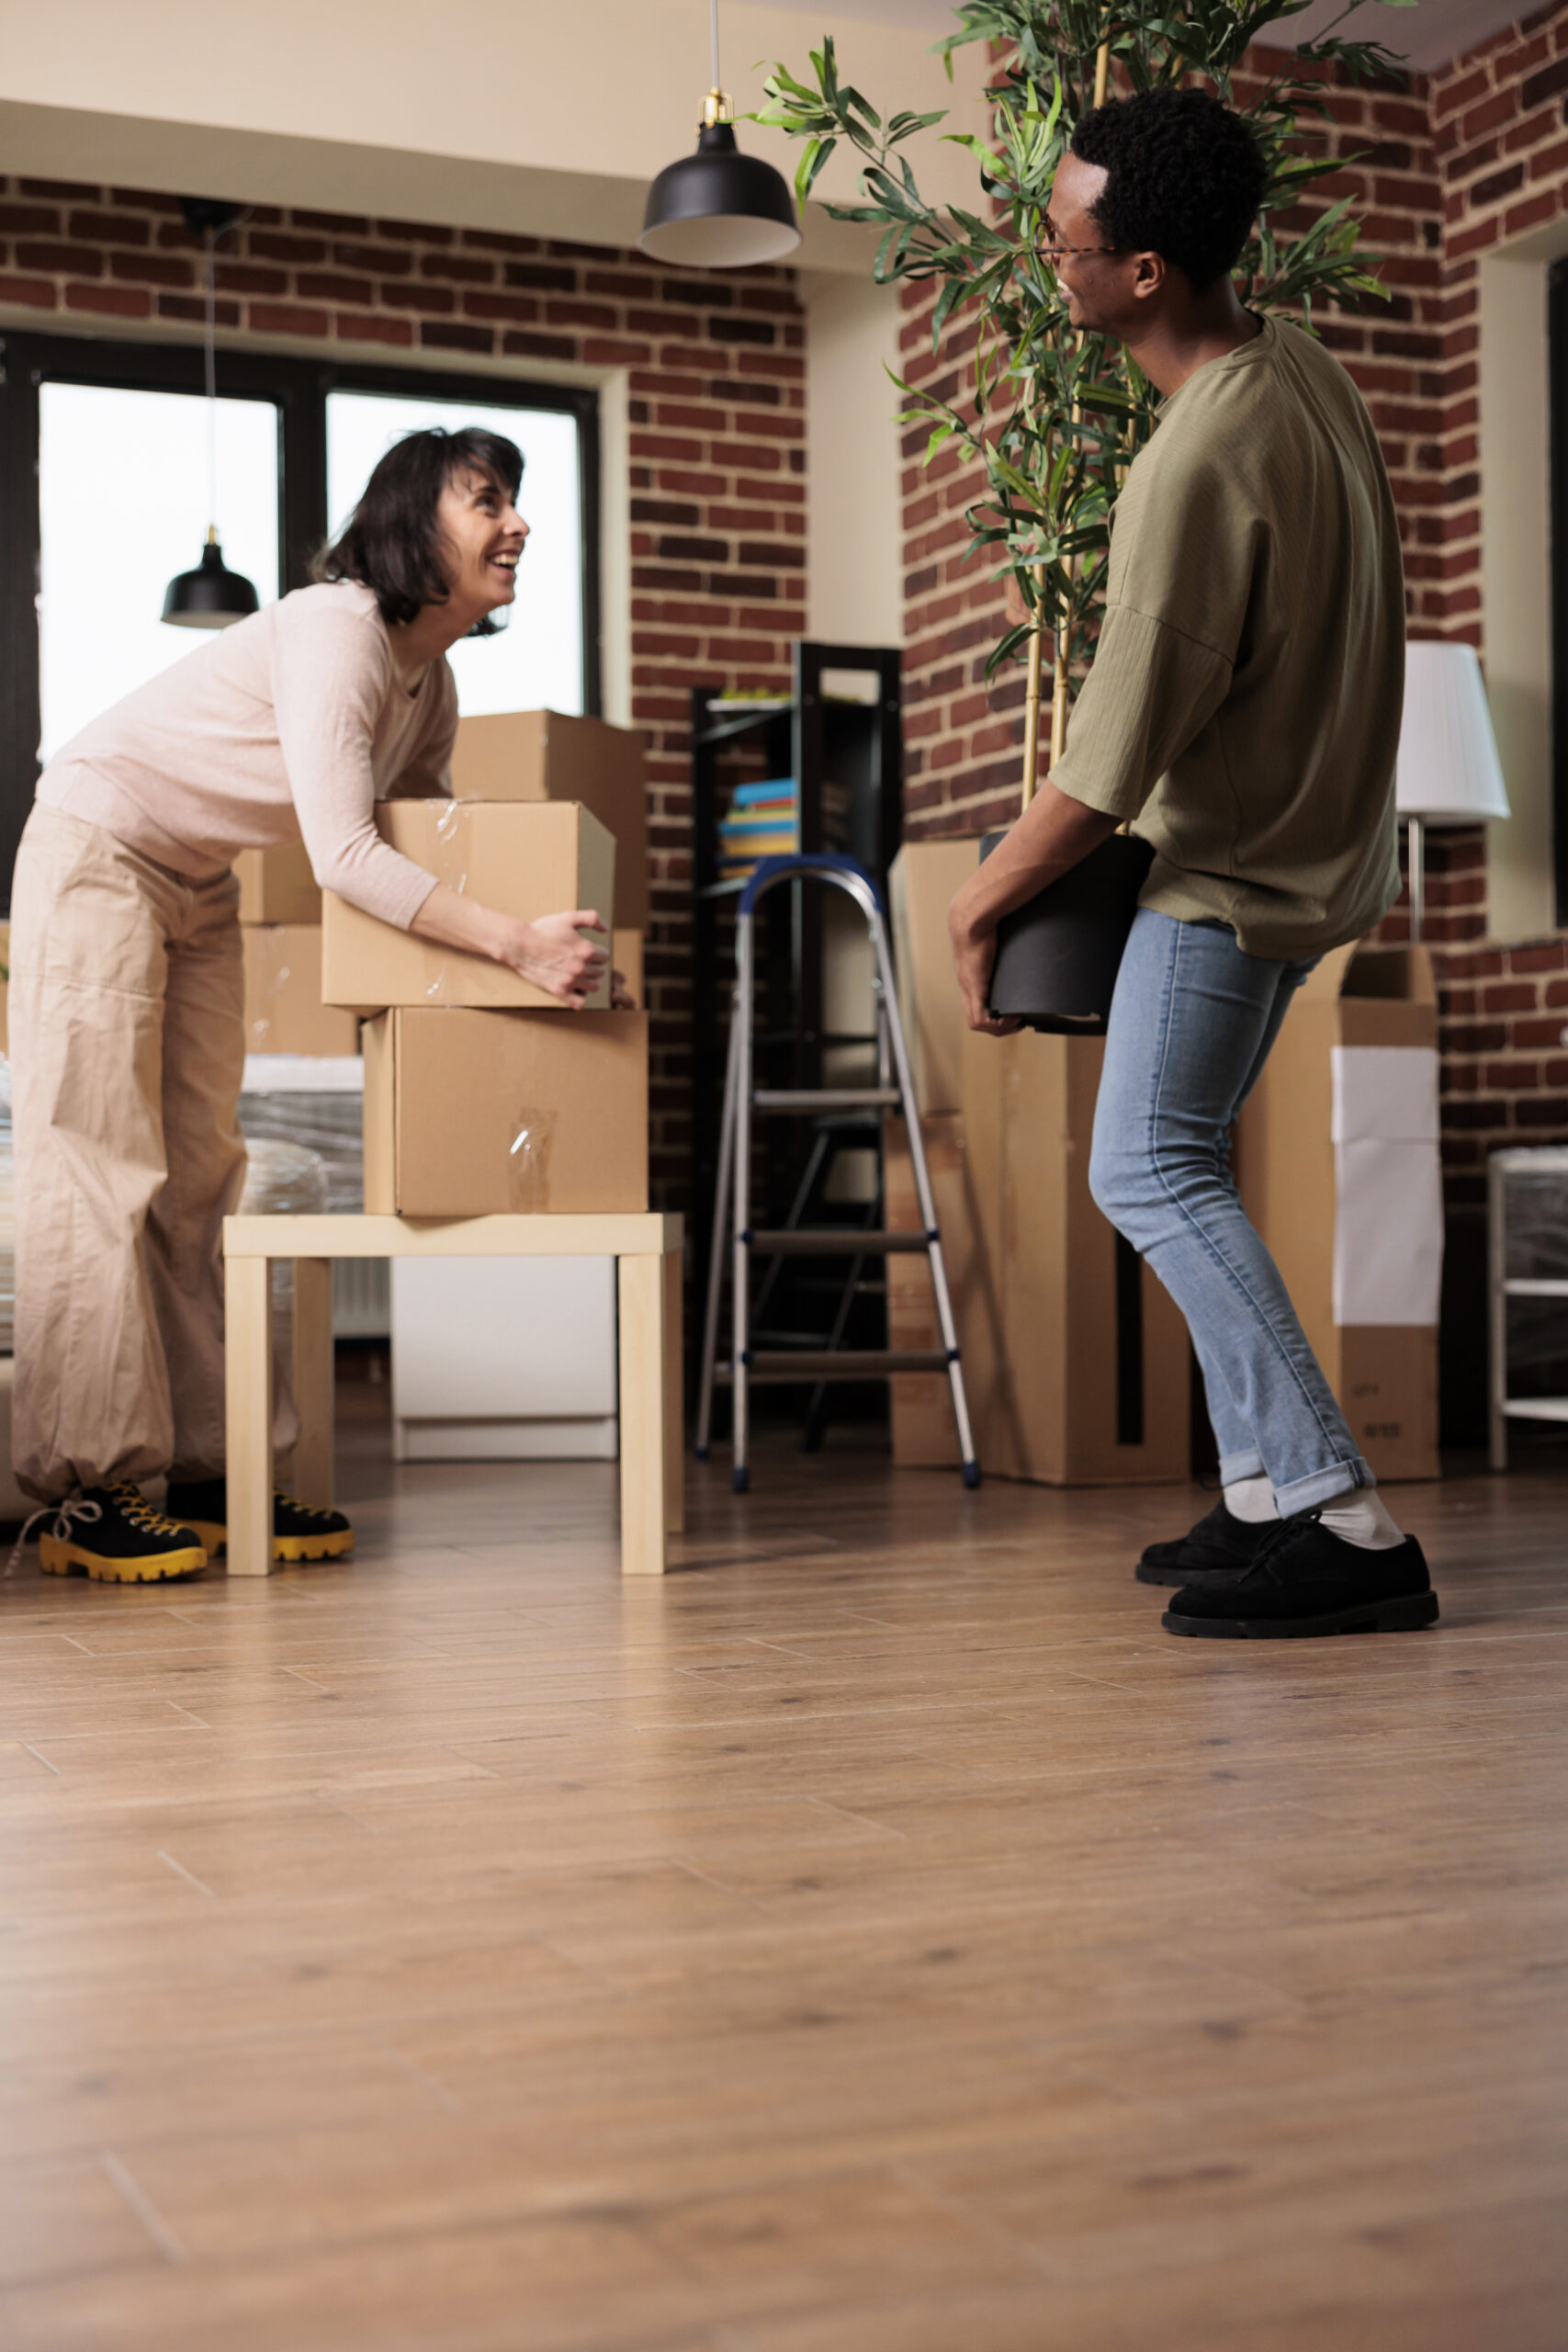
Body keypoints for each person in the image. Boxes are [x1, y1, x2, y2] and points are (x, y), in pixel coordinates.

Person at [949, 89, 1438, 1641]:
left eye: (1065, 240)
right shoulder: (1295, 367)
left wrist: (975, 903)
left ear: (1142, 271)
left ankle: (1339, 1517)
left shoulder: (1187, 472)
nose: (1047, 260)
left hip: (1229, 874)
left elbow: (1099, 771)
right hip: (1314, 848)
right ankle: (1258, 1492)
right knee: (1180, 1158)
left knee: (1144, 1166)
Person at [9, 425, 625, 1584]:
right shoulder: (337, 631)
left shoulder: (428, 680)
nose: (519, 523)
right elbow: (346, 856)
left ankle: (208, 1471)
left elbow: (435, 851)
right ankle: (85, 1490)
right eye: (488, 500)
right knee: (98, 1158)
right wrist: (515, 950)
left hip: (194, 880)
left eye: (515, 501)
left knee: (202, 1175)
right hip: (97, 846)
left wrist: (549, 957)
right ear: (413, 523)